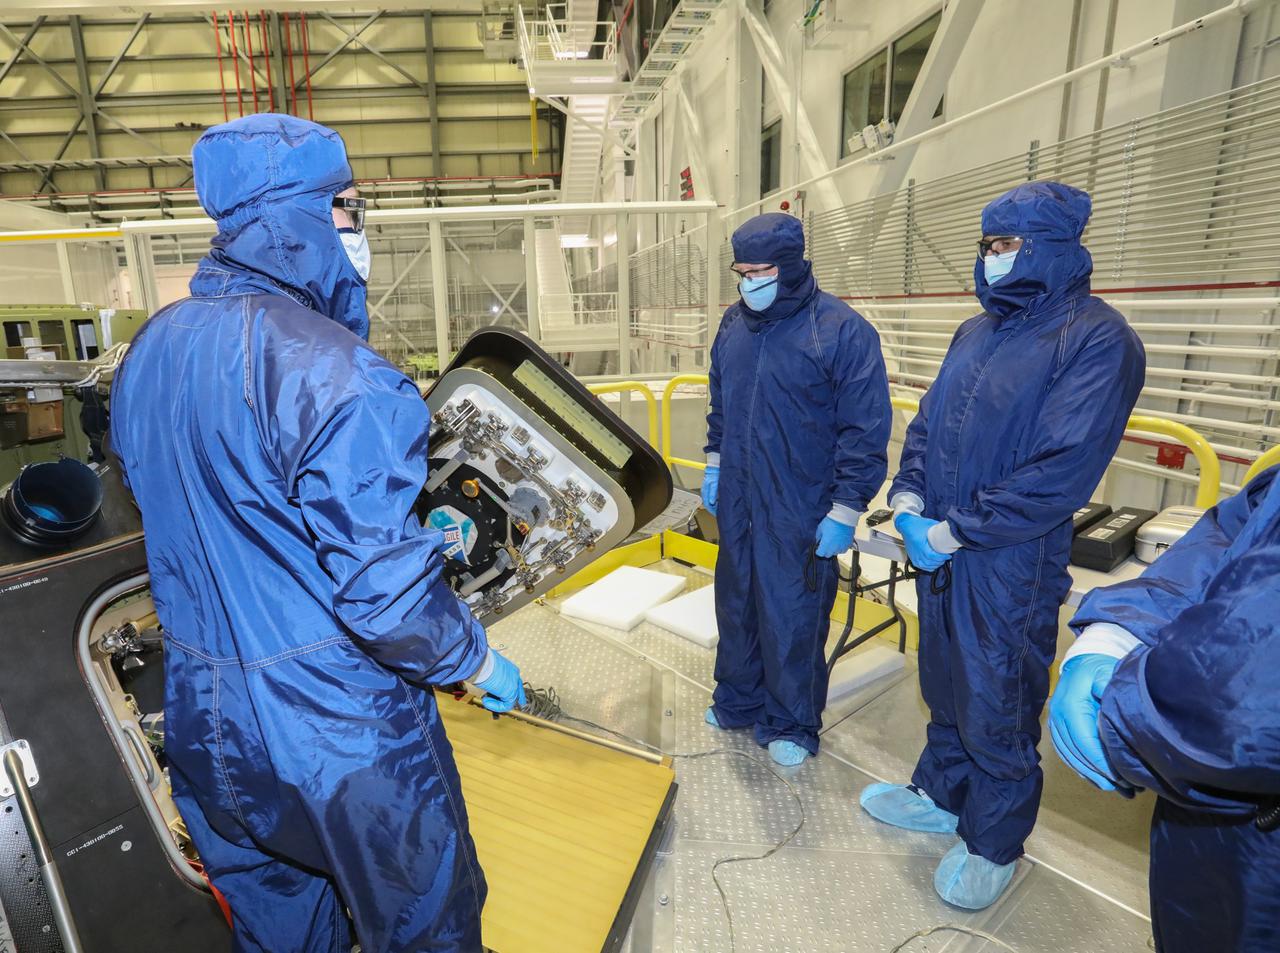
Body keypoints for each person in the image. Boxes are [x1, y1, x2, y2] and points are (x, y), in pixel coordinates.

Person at [109, 114, 525, 953]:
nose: (356, 228)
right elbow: (381, 591)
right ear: (296, 217)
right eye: (347, 207)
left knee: (281, 931)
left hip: (205, 715)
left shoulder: (150, 352)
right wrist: (471, 656)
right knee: (425, 930)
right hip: (342, 738)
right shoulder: (341, 373)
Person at [858, 181, 1146, 909]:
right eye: (986, 246)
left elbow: (1060, 469)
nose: (989, 260)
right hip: (941, 548)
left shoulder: (1098, 339)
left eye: (1004, 246)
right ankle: (939, 793)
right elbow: (927, 427)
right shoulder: (974, 333)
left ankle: (994, 841)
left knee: (1000, 699)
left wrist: (956, 531)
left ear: (1049, 248)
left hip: (1010, 559)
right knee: (946, 684)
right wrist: (912, 500)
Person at [1050, 467, 1280, 953]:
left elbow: (1243, 705)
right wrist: (1118, 630)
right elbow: (1237, 529)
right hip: (1216, 836)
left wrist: (1127, 716)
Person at [701, 212, 892, 767]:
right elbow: (721, 398)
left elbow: (865, 426)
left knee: (793, 611)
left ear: (789, 267)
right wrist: (715, 461)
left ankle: (791, 721)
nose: (748, 282)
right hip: (739, 491)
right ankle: (738, 699)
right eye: (741, 271)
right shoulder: (734, 326)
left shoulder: (840, 330)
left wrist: (846, 506)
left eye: (760, 271)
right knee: (736, 603)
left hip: (802, 502)